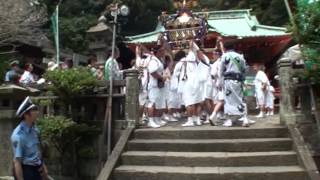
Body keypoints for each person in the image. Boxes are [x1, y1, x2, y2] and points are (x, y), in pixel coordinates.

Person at [11, 97, 49, 180]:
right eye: (34, 110)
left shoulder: (34, 129)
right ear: (26, 115)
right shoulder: (19, 135)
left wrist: (43, 167)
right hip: (26, 171)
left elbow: (37, 151)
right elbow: (17, 162)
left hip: (37, 169)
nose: (37, 112)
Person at [219, 41, 249, 127]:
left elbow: (221, 70)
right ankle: (245, 118)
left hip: (228, 81)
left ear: (225, 48)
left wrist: (220, 83)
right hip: (238, 81)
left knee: (228, 100)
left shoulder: (224, 56)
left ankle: (229, 120)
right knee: (240, 99)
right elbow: (244, 69)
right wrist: (243, 80)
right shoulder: (240, 57)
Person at [177, 42, 203, 127]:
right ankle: (198, 119)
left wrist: (191, 44)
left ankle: (190, 120)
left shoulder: (185, 60)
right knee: (197, 101)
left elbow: (192, 48)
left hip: (188, 83)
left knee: (189, 103)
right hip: (197, 82)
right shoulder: (197, 61)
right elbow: (195, 49)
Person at [146, 46, 167, 128]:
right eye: (162, 51)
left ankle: (156, 119)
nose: (163, 53)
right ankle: (150, 121)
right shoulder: (153, 61)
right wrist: (161, 77)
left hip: (159, 85)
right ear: (158, 52)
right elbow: (152, 72)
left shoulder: (159, 60)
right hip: (154, 85)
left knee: (158, 103)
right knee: (152, 103)